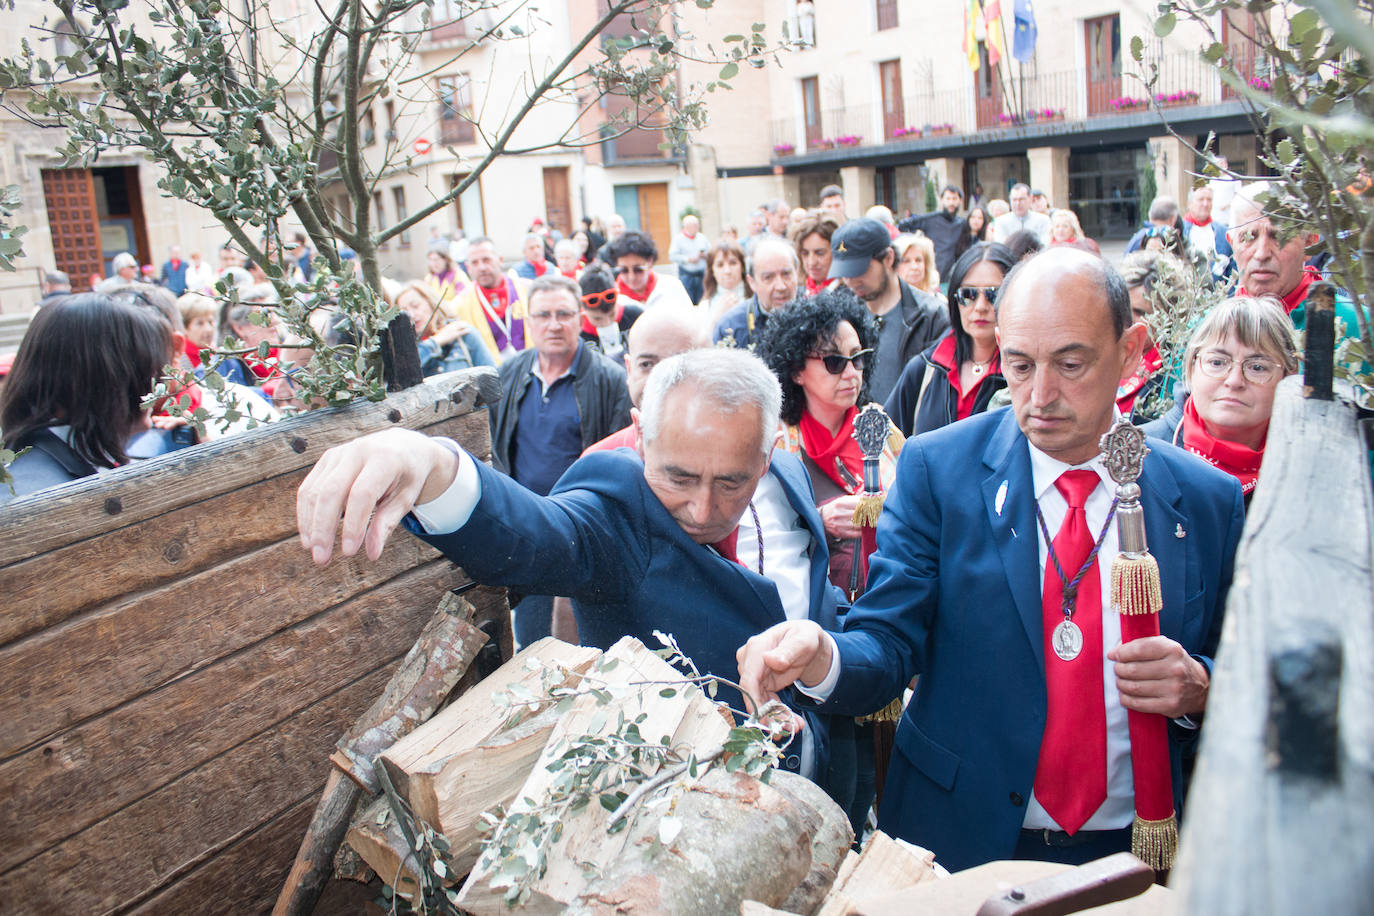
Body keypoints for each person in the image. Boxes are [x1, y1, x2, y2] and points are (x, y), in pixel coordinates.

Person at [736, 246, 1245, 872]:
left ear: (1133, 349)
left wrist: (1202, 686)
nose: (1040, 395)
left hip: (1142, 850)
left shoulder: (1204, 500)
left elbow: (1246, 668)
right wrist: (823, 654)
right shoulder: (937, 471)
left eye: (1071, 363)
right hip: (963, 841)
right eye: (1020, 364)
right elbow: (890, 638)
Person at [296, 347, 847, 790]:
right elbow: (539, 534)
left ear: (770, 452)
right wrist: (434, 466)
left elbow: (815, 594)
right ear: (639, 431)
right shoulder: (620, 511)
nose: (703, 510)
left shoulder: (790, 482)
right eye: (677, 478)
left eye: (732, 482)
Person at [758, 291, 904, 838]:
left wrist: (883, 512)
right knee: (825, 794)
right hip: (809, 627)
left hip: (881, 616)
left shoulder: (883, 434)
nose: (853, 372)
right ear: (796, 368)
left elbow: (918, 517)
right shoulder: (780, 443)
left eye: (859, 356)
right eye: (835, 361)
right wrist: (819, 520)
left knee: (873, 778)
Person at [484, 274, 633, 644]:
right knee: (534, 644)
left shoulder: (610, 380)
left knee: (589, 643)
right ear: (529, 322)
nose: (554, 324)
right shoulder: (509, 374)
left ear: (580, 317)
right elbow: (495, 449)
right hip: (526, 532)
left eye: (564, 314)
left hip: (583, 533)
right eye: (544, 315)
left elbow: (620, 463)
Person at [0, 294, 171, 504]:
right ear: (107, 383)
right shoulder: (31, 500)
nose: (158, 388)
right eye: (149, 374)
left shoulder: (68, 459)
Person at [1142, 296, 1298, 504]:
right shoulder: (1141, 455)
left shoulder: (1305, 468)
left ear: (1288, 378)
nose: (1234, 381)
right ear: (1191, 368)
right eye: (1217, 362)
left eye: (1257, 367)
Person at [884, 242, 1016, 438]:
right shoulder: (924, 368)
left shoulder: (1024, 373)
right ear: (955, 299)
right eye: (968, 294)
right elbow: (885, 440)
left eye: (993, 295)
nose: (980, 306)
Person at [1227, 181, 1365, 367]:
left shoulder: (1358, 326)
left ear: (1310, 241)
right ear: (1231, 243)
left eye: (1278, 237)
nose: (1261, 253)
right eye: (1248, 237)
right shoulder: (1203, 329)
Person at [826, 218, 951, 403]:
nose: (852, 281)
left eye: (860, 270)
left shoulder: (933, 316)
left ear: (889, 258)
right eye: (845, 273)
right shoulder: (839, 314)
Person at [1115, 250, 1177, 422]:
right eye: (1123, 307)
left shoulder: (1173, 373)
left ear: (1168, 316)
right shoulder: (1104, 352)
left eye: (1139, 312)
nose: (1127, 318)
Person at [447, 237, 530, 363]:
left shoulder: (527, 290)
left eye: (486, 260)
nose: (482, 267)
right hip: (492, 377)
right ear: (468, 268)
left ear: (500, 260)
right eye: (475, 263)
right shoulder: (459, 305)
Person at [394, 279, 495, 378]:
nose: (411, 314)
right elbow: (403, 373)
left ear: (431, 302)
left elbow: (493, 378)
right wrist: (435, 342)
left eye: (415, 306)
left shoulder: (462, 333)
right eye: (404, 312)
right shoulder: (408, 351)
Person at [713, 238, 800, 350]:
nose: (781, 286)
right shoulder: (730, 328)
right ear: (752, 282)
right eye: (768, 277)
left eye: (786, 274)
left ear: (797, 273)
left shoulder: (816, 321)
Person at [897, 185, 969, 280]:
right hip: (931, 275)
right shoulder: (930, 219)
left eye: (954, 199)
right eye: (948, 198)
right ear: (942, 200)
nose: (951, 202)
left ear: (960, 201)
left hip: (951, 277)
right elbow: (903, 225)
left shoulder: (962, 224)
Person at [606, 232, 693, 310]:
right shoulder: (612, 299)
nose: (631, 277)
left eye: (638, 270)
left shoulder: (671, 287)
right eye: (624, 270)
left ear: (650, 261)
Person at [577, 264, 642, 365]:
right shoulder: (577, 334)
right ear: (583, 310)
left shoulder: (635, 317)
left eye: (612, 315)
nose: (606, 323)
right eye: (597, 319)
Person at [792, 210, 841, 297]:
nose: (812, 262)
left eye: (820, 253)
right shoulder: (794, 292)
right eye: (805, 253)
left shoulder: (851, 295)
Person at [701, 240, 752, 322]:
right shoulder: (705, 307)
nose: (727, 271)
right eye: (720, 265)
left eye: (733, 263)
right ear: (712, 271)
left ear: (742, 267)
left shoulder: (756, 300)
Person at [668, 214, 710, 305]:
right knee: (688, 301)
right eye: (694, 225)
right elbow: (672, 256)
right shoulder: (678, 239)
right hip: (687, 275)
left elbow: (711, 253)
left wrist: (704, 255)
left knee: (703, 301)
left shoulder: (702, 237)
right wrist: (688, 259)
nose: (696, 227)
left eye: (697, 225)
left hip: (701, 275)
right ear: (686, 226)